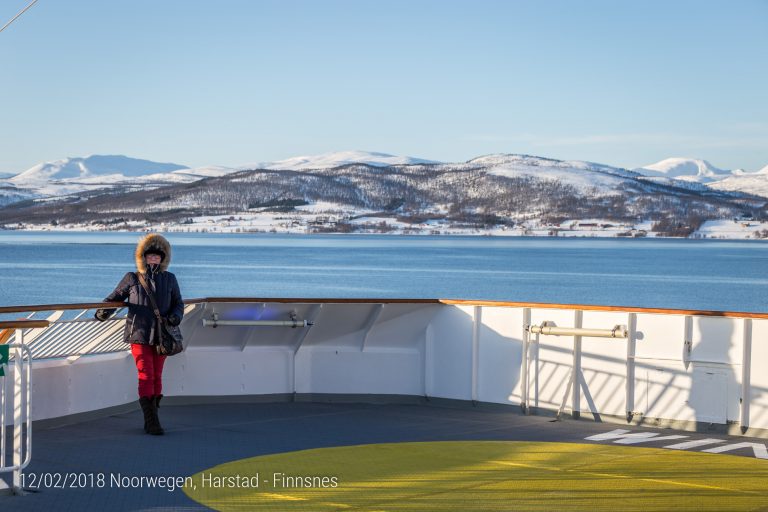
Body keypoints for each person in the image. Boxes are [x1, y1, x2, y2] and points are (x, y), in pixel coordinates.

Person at [95, 233, 184, 435]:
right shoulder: (132, 278)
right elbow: (115, 298)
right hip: (139, 334)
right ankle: (150, 420)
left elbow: (178, 303)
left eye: (157, 256)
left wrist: (175, 317)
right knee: (146, 375)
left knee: (157, 377)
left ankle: (154, 418)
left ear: (163, 259)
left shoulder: (170, 279)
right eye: (150, 255)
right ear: (143, 257)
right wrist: (103, 312)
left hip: (162, 336)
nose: (153, 259)